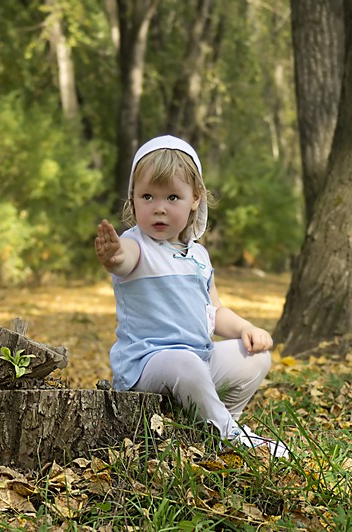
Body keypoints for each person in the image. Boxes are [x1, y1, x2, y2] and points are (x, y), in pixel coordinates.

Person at [94, 135, 289, 458]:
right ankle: (229, 435)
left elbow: (214, 310)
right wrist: (113, 256)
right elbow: (123, 260)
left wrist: (245, 329)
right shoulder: (136, 244)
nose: (159, 208)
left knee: (256, 357)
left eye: (172, 197)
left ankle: (217, 423)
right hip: (148, 365)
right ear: (133, 198)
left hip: (197, 360)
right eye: (147, 197)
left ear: (195, 199)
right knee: (184, 362)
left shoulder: (199, 255)